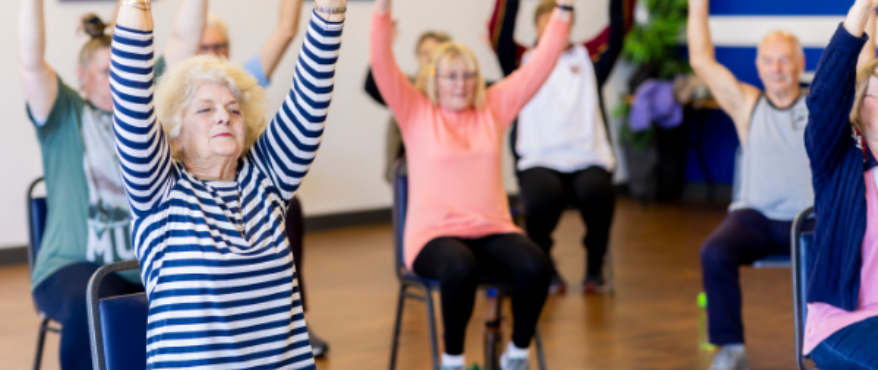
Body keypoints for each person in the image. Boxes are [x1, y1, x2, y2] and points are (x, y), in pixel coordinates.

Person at [110, 0, 345, 367]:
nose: (224, 115)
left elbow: (310, 96)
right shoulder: (160, 194)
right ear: (174, 136)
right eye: (205, 109)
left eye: (234, 109)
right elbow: (130, 98)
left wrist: (330, 13)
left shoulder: (267, 180)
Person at [370, 0, 572, 368]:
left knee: (535, 265)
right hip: (432, 237)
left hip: (491, 230)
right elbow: (382, 64)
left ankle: (516, 355)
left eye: (468, 75)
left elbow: (540, 65)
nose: (461, 84)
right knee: (459, 267)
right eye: (451, 76)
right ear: (434, 79)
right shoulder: (416, 112)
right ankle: (453, 361)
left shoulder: (493, 108)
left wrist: (563, 10)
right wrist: (381, 10)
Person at [18, 0, 205, 368]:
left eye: (122, 70)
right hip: (73, 266)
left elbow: (186, 36)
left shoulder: (145, 110)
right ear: (82, 75)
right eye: (106, 71)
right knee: (95, 297)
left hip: (145, 264)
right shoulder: (64, 110)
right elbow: (30, 61)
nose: (117, 79)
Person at [177, 0, 331, 354]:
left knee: (289, 209)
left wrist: (329, 12)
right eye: (205, 47)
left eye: (220, 47)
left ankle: (294, 315)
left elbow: (293, 45)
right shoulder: (180, 94)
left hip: (250, 194)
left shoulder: (239, 84)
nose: (224, 116)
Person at [687, 0, 818, 369]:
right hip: (754, 218)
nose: (777, 69)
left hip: (808, 220)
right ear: (758, 65)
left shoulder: (819, 105)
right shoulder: (747, 104)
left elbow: (860, 73)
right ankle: (731, 347)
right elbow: (701, 61)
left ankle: (828, 344)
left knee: (844, 246)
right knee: (714, 250)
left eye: (785, 60)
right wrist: (698, 6)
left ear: (800, 64)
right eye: (769, 60)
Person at [488, 0, 633, 294]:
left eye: (562, 19)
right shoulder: (521, 62)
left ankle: (595, 264)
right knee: (542, 200)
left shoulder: (590, 58)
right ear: (537, 27)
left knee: (598, 194)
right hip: (540, 159)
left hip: (587, 157)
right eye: (547, 21)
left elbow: (620, 27)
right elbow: (498, 34)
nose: (556, 26)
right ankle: (544, 263)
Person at [802, 0, 878, 368]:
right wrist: (863, 9)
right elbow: (825, 97)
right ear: (860, 106)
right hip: (845, 322)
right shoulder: (840, 161)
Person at [364, 29, 451, 181]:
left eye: (436, 52)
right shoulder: (406, 86)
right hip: (407, 170)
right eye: (424, 52)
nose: (430, 57)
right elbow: (372, 86)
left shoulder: (460, 89)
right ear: (418, 56)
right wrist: (382, 46)